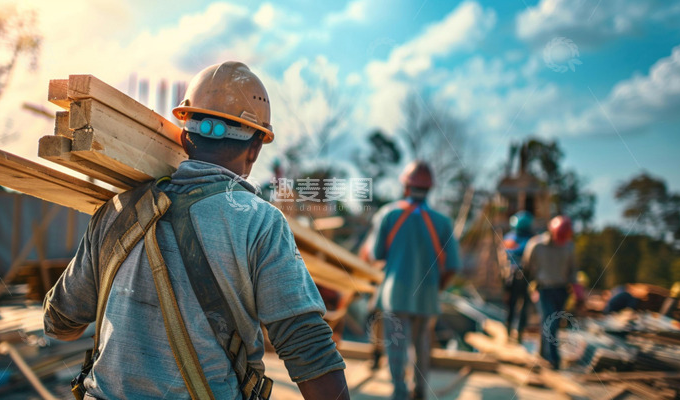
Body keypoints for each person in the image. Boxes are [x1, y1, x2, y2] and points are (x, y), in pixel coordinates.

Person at [43, 61, 349, 399]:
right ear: (255, 147)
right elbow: (306, 345)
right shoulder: (261, 222)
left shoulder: (115, 211)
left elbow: (60, 322)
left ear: (186, 136)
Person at [363, 161, 461, 400]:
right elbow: (453, 266)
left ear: (406, 186)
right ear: (430, 189)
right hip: (427, 295)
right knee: (422, 345)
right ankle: (420, 391)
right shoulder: (442, 221)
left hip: (395, 294)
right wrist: (437, 287)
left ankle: (399, 392)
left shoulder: (389, 214)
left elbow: (376, 255)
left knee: (396, 346)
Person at [522, 215, 577, 370]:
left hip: (561, 290)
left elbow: (573, 271)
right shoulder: (536, 245)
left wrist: (577, 292)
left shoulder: (569, 246)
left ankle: (542, 353)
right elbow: (527, 267)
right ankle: (553, 359)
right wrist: (531, 287)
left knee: (552, 323)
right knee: (549, 322)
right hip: (543, 289)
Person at [502, 210, 535, 341]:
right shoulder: (530, 240)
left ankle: (511, 330)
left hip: (512, 276)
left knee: (512, 305)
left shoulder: (509, 238)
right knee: (522, 305)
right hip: (524, 276)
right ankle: (517, 332)